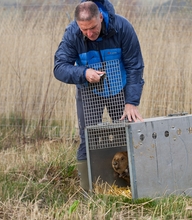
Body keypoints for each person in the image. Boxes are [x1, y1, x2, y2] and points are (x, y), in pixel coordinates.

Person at [53, 0, 145, 191]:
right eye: (84, 30)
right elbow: (59, 67)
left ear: (100, 17)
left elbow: (134, 66)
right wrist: (84, 73)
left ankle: (129, 188)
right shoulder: (72, 33)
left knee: (125, 134)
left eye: (93, 28)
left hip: (119, 88)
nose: (89, 34)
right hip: (88, 90)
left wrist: (131, 102)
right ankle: (89, 191)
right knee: (88, 138)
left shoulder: (122, 27)